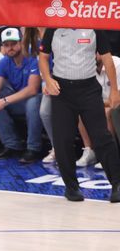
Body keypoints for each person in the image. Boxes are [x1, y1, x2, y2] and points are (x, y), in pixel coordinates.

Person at [39, 28, 120, 202]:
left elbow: (107, 58)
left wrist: (114, 90)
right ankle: (71, 187)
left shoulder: (94, 27)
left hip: (88, 89)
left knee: (102, 137)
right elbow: (43, 57)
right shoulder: (53, 28)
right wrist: (48, 79)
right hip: (62, 91)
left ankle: (117, 184)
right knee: (63, 139)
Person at [0, 28, 44, 162]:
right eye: (6, 45)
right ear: (3, 47)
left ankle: (34, 148)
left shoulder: (32, 57)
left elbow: (32, 89)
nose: (10, 48)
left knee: (32, 102)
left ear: (21, 42)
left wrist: (5, 101)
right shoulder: (4, 62)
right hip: (18, 100)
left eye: (13, 44)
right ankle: (12, 145)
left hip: (39, 100)